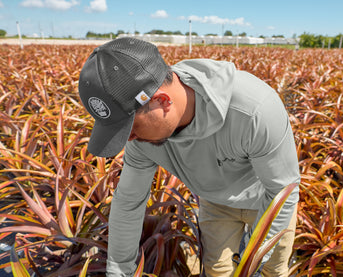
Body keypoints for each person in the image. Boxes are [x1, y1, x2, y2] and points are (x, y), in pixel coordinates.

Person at [78, 37, 300, 277]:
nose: (128, 139)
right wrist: (120, 271)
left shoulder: (254, 110)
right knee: (217, 270)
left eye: (131, 127)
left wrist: (253, 259)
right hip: (216, 202)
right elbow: (129, 202)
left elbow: (281, 191)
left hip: (268, 202)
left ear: (162, 101)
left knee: (270, 271)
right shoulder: (141, 139)